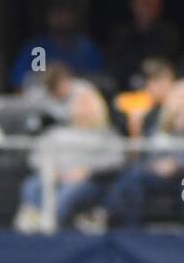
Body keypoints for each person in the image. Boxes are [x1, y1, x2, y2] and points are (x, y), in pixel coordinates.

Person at [14, 81, 123, 231]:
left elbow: (116, 160)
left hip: (90, 181)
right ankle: (38, 222)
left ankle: (57, 228)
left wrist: (87, 171)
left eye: (86, 104)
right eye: (77, 104)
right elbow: (35, 157)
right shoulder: (57, 133)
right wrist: (53, 171)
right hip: (55, 177)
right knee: (31, 185)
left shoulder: (107, 134)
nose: (81, 108)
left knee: (67, 194)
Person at [106, 77, 184, 229]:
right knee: (134, 176)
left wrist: (177, 164)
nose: (183, 102)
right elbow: (146, 152)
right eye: (179, 96)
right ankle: (130, 230)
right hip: (157, 174)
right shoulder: (156, 121)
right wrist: (154, 164)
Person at [10, 0, 103, 90]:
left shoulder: (86, 48)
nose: (61, 18)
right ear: (48, 16)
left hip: (76, 101)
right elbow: (18, 83)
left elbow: (99, 82)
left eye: (66, 12)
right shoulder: (37, 48)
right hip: (41, 102)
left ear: (75, 16)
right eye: (56, 12)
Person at [106, 0, 181, 91]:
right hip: (124, 91)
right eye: (141, 2)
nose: (145, 7)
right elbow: (114, 69)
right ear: (132, 4)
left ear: (159, 6)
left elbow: (168, 68)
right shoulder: (121, 34)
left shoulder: (169, 34)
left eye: (150, 3)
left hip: (158, 93)